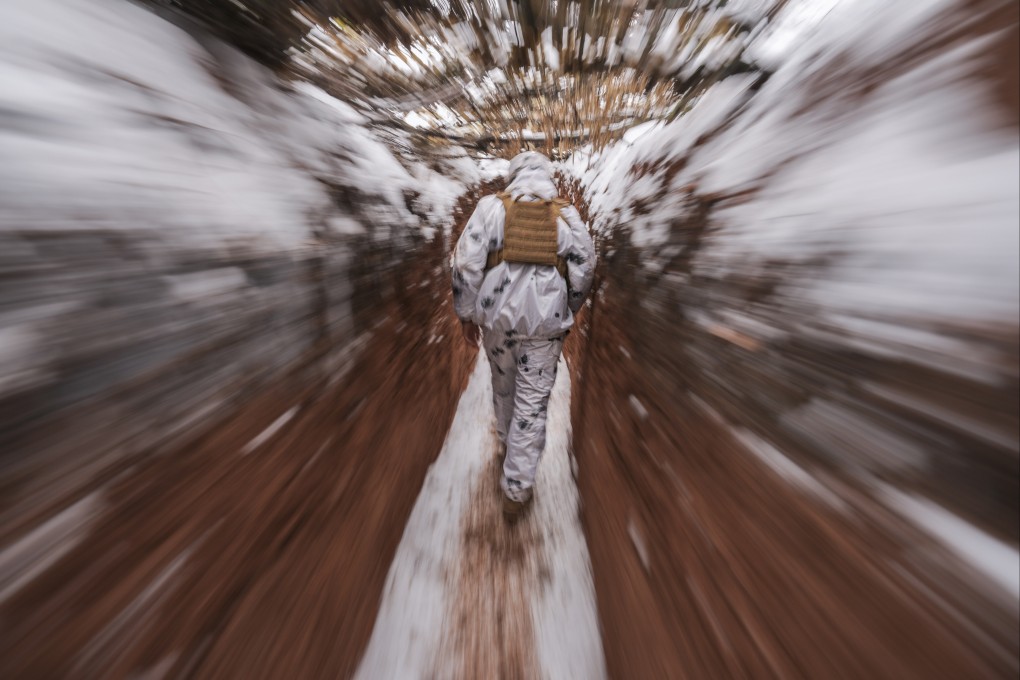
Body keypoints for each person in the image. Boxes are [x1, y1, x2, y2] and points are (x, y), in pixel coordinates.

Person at [451, 151, 595, 520]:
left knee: (504, 387)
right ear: (548, 177)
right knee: (532, 404)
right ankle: (516, 491)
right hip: (546, 330)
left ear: (513, 176)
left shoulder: (490, 208)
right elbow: (584, 268)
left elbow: (466, 265)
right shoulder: (566, 215)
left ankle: (505, 443)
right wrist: (567, 307)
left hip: (497, 323)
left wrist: (466, 315)